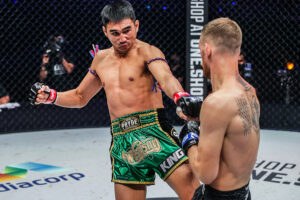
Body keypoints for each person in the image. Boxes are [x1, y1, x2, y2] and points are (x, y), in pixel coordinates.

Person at [29, 1, 201, 199]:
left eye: (127, 30)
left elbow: (166, 78)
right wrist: (51, 96)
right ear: (105, 31)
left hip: (154, 131)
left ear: (136, 25)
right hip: (122, 140)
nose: (123, 38)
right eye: (115, 33)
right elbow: (80, 96)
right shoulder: (100, 60)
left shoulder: (148, 51)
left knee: (194, 195)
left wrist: (180, 96)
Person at [175, 18, 260, 199]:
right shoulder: (249, 91)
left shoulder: (216, 102)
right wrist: (203, 120)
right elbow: (235, 141)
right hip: (243, 193)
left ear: (207, 50)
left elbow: (205, 174)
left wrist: (189, 137)